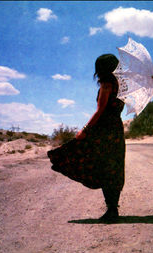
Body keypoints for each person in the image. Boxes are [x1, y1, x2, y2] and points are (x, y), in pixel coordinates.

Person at [47, 54, 125, 222]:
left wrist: (85, 129)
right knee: (114, 168)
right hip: (117, 131)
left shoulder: (106, 84)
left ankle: (112, 211)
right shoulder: (123, 86)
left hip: (103, 132)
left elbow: (99, 110)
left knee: (102, 166)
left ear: (101, 69)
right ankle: (113, 209)